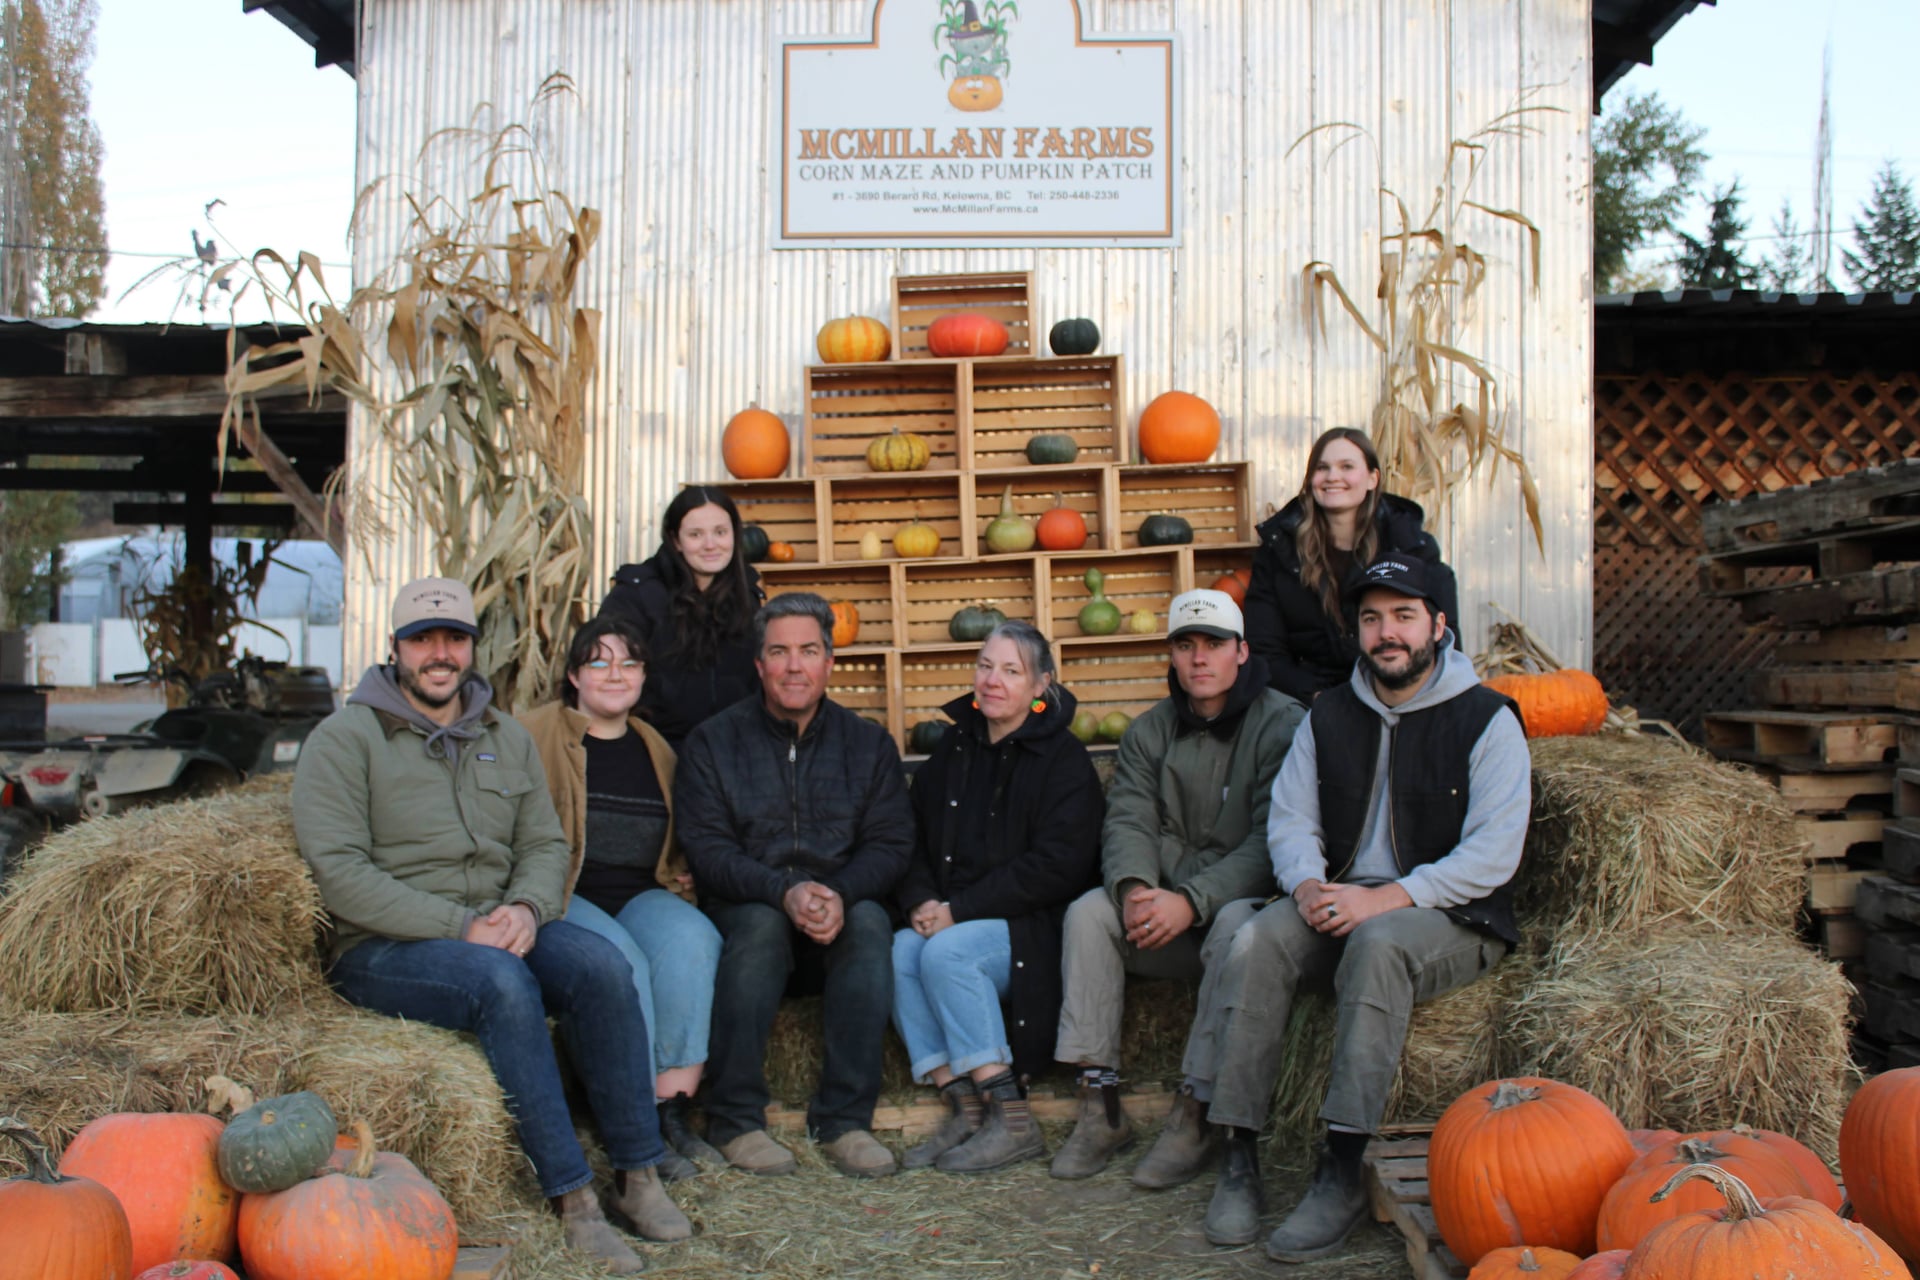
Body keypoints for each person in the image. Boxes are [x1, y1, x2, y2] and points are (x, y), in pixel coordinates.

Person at [291, 577, 688, 1277]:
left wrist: (528, 908)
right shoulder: (346, 738)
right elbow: (340, 876)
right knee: (502, 984)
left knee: (601, 967)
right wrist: (459, 925)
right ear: (396, 649)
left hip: (500, 924)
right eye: (423, 639)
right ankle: (573, 1199)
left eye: (454, 639)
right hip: (388, 943)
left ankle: (638, 1171)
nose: (439, 654)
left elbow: (544, 845)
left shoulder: (503, 735)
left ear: (473, 647)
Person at [1177, 555, 1529, 1261]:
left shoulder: (1487, 719)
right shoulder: (1331, 714)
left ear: (1438, 624)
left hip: (1449, 915)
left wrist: (1389, 897)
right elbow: (1290, 819)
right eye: (1371, 619)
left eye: (1403, 615)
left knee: (1380, 946)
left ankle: (1340, 1167)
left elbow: (1494, 852)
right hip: (1339, 898)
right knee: (1255, 938)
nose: (1386, 633)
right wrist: (1306, 885)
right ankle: (1239, 1151)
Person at [1050, 589, 1305, 1182]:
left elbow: (1275, 841)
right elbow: (1129, 818)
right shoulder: (1148, 732)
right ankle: (1100, 1103)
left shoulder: (1285, 724)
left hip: (1234, 904)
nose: (1198, 658)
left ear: (1241, 652)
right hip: (1161, 906)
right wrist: (1136, 889)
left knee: (1244, 929)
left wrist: (1191, 901)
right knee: (1090, 912)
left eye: (1213, 644)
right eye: (1185, 645)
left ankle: (1196, 1111)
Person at [673, 591, 913, 1179]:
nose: (793, 665)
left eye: (808, 650)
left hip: (837, 912)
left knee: (871, 921)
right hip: (751, 910)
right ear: (759, 665)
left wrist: (841, 892)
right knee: (758, 925)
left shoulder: (868, 744)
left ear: (830, 661)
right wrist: (782, 890)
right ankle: (735, 1121)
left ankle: (845, 1121)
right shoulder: (712, 743)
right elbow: (708, 850)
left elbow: (892, 843)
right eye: (778, 652)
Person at [518, 614, 726, 1177]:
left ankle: (670, 1111)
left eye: (629, 662)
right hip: (566, 893)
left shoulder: (655, 746)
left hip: (640, 891)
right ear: (573, 675)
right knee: (622, 962)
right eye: (600, 661)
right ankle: (630, 1121)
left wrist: (685, 875)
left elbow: (682, 831)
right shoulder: (531, 734)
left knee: (693, 939)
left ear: (642, 675)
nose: (616, 673)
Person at [892, 621, 1103, 1174]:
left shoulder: (1063, 760)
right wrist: (919, 900)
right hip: (955, 916)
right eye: (985, 665)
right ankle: (964, 1107)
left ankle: (1012, 1121)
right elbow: (911, 834)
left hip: (1034, 927)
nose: (991, 680)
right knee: (901, 951)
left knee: (945, 952)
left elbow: (1058, 867)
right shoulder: (955, 748)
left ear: (1040, 686)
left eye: (1011, 670)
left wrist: (957, 911)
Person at [1244, 427, 1461, 703]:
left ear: (1372, 478)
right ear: (1311, 479)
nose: (1333, 476)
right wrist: (1320, 698)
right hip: (1310, 700)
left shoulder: (1411, 545)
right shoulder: (1279, 551)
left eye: (1347, 466)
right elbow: (1265, 650)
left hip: (1397, 694)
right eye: (1322, 468)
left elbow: (1445, 640)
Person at [599, 486, 765, 746]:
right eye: (695, 534)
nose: (711, 545)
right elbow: (608, 671)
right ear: (676, 540)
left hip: (734, 749)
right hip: (657, 748)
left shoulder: (748, 596)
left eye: (720, 532)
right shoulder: (635, 595)